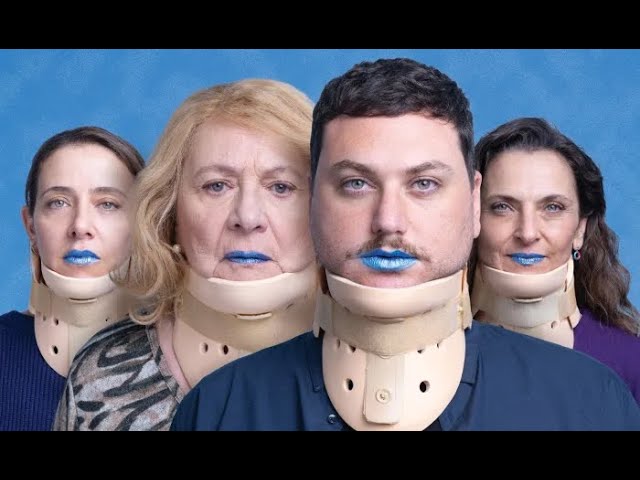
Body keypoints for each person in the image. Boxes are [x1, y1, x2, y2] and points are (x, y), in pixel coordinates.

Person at [171, 58, 640, 431]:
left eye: (424, 184)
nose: (388, 222)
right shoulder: (217, 409)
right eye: (356, 183)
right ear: (312, 200)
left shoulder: (590, 401)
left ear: (474, 201)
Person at [53, 79, 317, 430]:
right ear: (171, 212)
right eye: (217, 186)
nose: (247, 216)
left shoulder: (364, 381)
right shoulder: (99, 377)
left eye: (281, 187)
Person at [469, 116, 640, 403]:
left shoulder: (630, 363)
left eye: (552, 207)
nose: (528, 233)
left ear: (580, 229)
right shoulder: (428, 358)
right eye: (502, 207)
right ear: (473, 219)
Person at [0, 126, 144, 430]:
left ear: (142, 224)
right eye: (58, 202)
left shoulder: (182, 363)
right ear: (30, 226)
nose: (80, 226)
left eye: (107, 204)